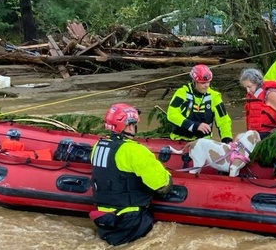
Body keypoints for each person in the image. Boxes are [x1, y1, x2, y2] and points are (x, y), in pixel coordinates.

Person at [90, 103, 172, 246]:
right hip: (130, 221)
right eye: (134, 124)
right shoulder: (134, 151)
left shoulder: (98, 146)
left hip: (105, 220)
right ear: (128, 126)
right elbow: (161, 184)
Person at [167, 64, 233, 143]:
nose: (206, 86)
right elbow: (172, 114)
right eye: (203, 83)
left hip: (204, 142)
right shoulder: (181, 93)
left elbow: (224, 121)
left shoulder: (215, 97)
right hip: (180, 140)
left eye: (208, 82)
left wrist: (227, 139)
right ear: (194, 81)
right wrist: (193, 126)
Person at [241, 67, 276, 140]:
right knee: (239, 137)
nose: (248, 91)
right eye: (246, 88)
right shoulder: (253, 96)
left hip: (274, 135)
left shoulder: (271, 94)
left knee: (242, 140)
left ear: (257, 83)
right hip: (259, 135)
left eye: (249, 87)